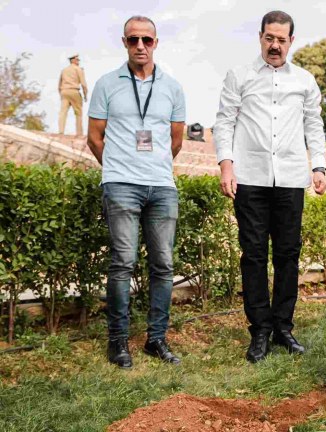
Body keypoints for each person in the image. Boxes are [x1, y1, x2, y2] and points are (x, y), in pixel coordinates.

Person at [213, 10, 326, 363]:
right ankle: (259, 329)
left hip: (291, 178)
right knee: (254, 255)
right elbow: (224, 122)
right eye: (269, 38)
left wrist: (319, 165)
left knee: (288, 255)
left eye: (281, 40)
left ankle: (283, 327)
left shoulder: (306, 81)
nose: (275, 45)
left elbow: (314, 124)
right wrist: (226, 166)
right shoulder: (240, 76)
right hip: (249, 177)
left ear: (291, 41)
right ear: (260, 36)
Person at [87, 16, 186, 369]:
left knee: (163, 265)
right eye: (133, 40)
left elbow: (176, 140)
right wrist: (116, 168)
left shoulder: (172, 87)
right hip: (121, 185)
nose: (140, 45)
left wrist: (154, 167)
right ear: (124, 43)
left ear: (156, 43)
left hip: (162, 186)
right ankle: (118, 343)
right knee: (122, 264)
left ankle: (156, 340)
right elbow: (94, 137)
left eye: (146, 39)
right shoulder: (106, 84)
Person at [58, 54, 88, 135]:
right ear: (73, 60)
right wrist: (85, 95)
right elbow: (83, 84)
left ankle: (61, 131)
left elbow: (59, 84)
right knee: (78, 113)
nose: (78, 61)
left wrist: (61, 93)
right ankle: (79, 133)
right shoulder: (78, 69)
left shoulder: (64, 70)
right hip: (74, 91)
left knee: (63, 112)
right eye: (77, 60)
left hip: (64, 91)